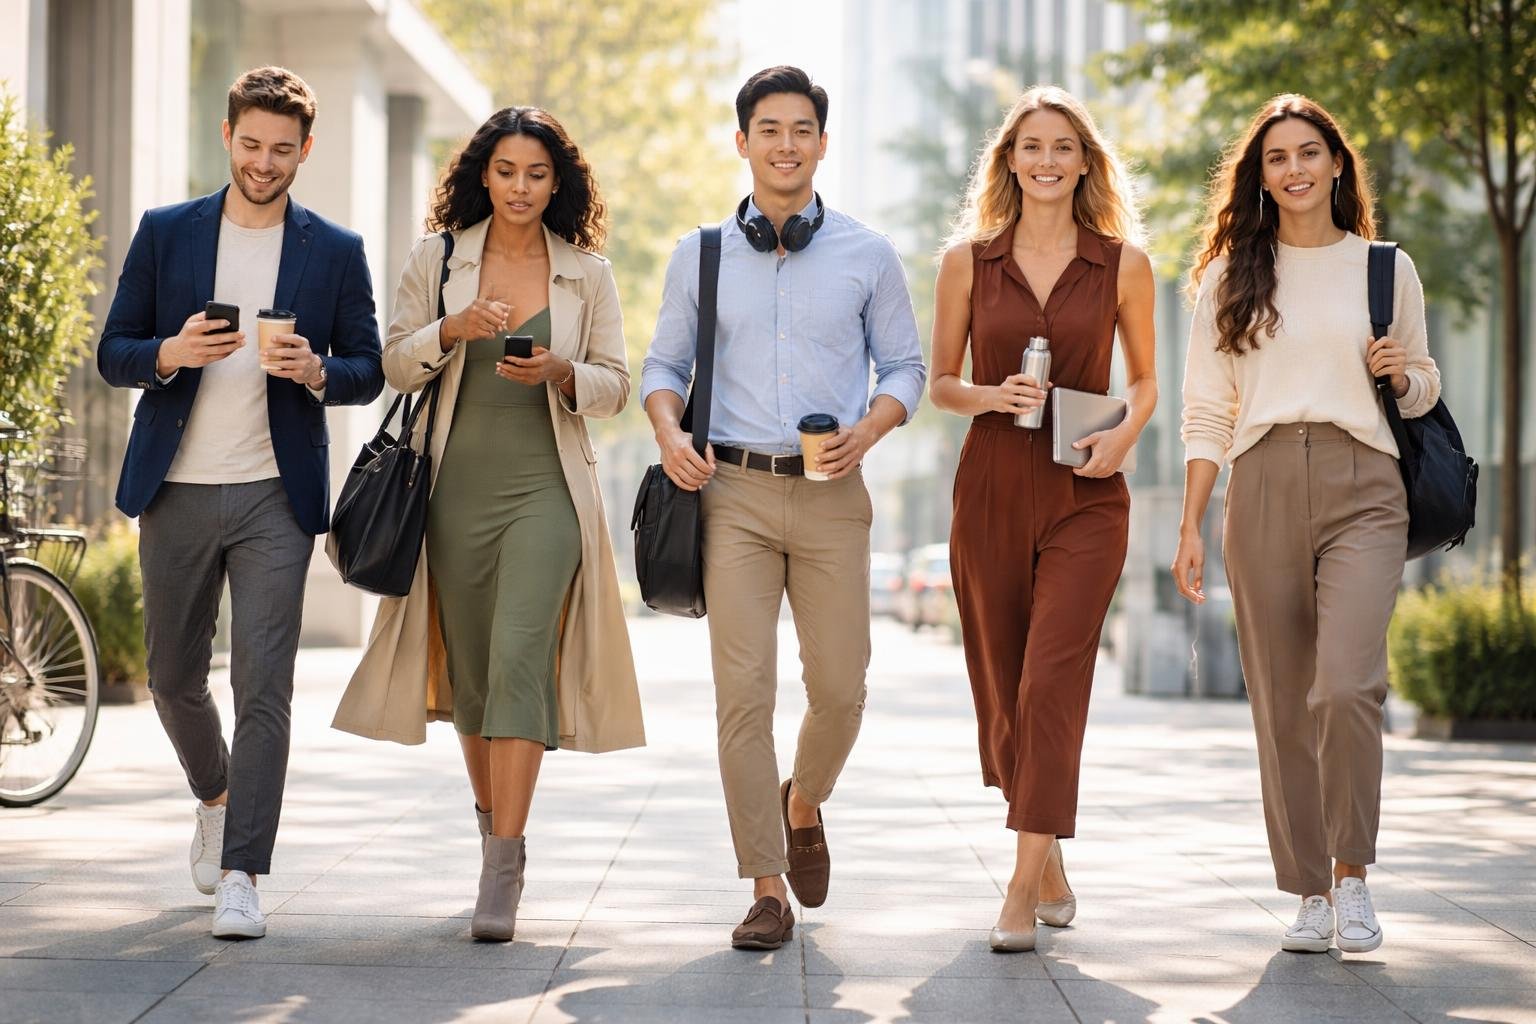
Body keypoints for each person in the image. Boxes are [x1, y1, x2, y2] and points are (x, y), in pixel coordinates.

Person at [332, 107, 644, 942]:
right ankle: (491, 828)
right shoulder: (438, 259)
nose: (520, 187)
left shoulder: (588, 273)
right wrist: (450, 328)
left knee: (518, 658)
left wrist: (563, 371)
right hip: (450, 493)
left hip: (548, 492)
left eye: (537, 174)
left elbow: (617, 384)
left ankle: (504, 864)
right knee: (472, 676)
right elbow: (394, 363)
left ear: (558, 183)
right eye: (506, 171)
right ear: (483, 175)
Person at [641, 66, 926, 951]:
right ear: (743, 141)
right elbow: (664, 367)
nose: (786, 144)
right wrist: (669, 433)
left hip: (835, 494)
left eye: (802, 129)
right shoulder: (700, 254)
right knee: (743, 694)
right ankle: (765, 885)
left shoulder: (869, 255)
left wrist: (869, 430)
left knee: (840, 688)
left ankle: (803, 800)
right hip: (730, 494)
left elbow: (906, 369)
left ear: (823, 144)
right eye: (769, 128)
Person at [96, 66, 384, 939]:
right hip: (176, 487)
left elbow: (368, 368)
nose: (264, 162)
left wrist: (318, 371)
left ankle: (242, 874)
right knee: (174, 681)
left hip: (274, 495)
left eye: (282, 149)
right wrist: (170, 352)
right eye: (252, 144)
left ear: (305, 150)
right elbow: (114, 350)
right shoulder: (167, 231)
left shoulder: (334, 249)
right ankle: (216, 796)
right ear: (227, 137)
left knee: (265, 685)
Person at [1173, 94, 1440, 955]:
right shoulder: (1229, 278)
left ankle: (1353, 875)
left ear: (1336, 164)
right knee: (1284, 699)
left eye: (1308, 153)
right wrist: (1191, 523)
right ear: (1260, 176)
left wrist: (1402, 375)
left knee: (1346, 686)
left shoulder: (1384, 268)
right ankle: (1309, 892)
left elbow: (1425, 386)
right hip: (1261, 483)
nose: (1294, 169)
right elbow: (1207, 411)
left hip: (1366, 483)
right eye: (1277, 158)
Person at [929, 85, 1157, 953]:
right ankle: (1049, 857)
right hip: (991, 482)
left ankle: (1020, 891)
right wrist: (992, 395)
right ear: (1010, 160)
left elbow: (1146, 381)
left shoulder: (1123, 264)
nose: (1048, 160)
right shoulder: (967, 263)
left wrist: (1127, 434)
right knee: (1003, 695)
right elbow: (940, 383)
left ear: (1086, 162)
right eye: (1032, 146)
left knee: (1051, 683)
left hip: (1086, 489)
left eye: (1064, 146)